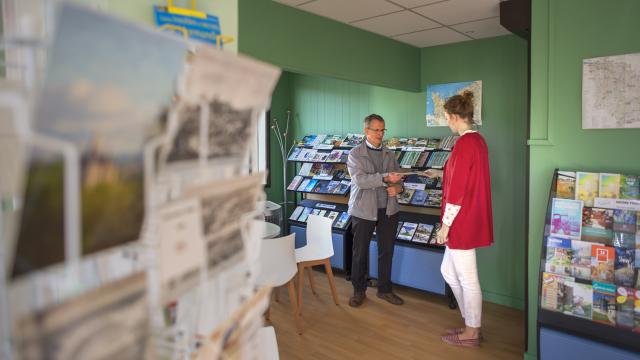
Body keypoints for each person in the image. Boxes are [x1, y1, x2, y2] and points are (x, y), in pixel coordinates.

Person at [424, 91, 493, 347]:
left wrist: (445, 226)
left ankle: (472, 331)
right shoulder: (477, 141)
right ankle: (470, 324)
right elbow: (465, 178)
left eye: (447, 118)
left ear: (454, 116)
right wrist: (441, 174)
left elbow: (459, 191)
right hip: (468, 217)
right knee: (448, 271)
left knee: (468, 278)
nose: (447, 123)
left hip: (461, 221)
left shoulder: (464, 144)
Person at [347, 114, 405, 307]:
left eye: (383, 130)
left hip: (388, 209)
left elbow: (399, 179)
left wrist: (398, 188)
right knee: (360, 252)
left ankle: (385, 290)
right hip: (363, 210)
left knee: (386, 251)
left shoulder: (389, 153)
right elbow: (360, 180)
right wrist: (386, 178)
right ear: (366, 131)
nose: (380, 134)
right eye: (376, 130)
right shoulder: (355, 154)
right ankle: (358, 291)